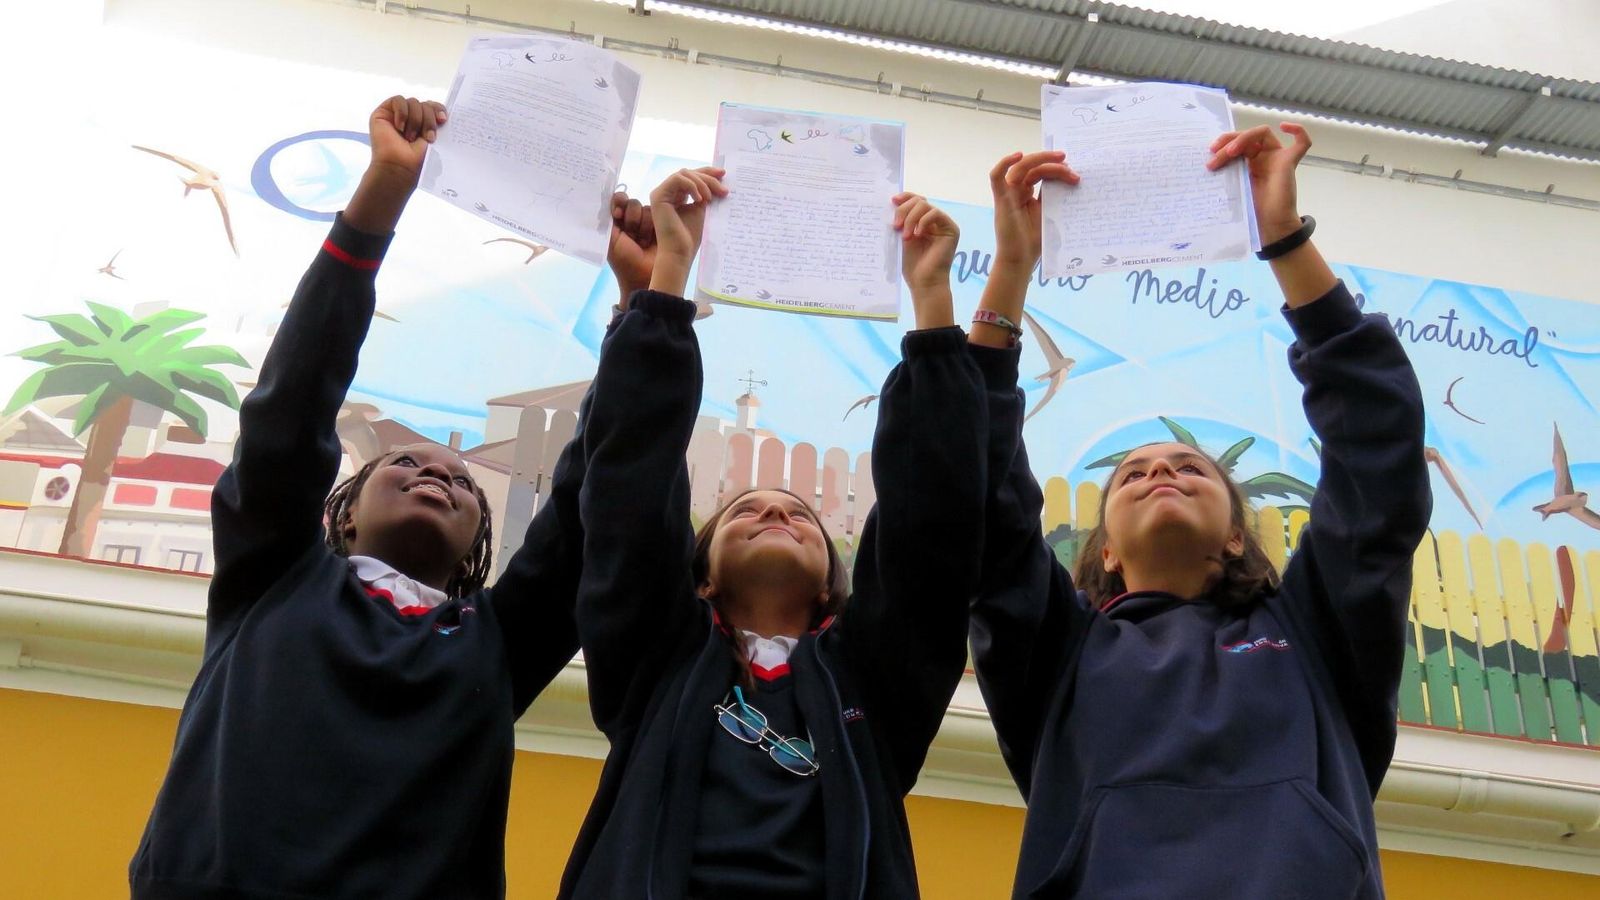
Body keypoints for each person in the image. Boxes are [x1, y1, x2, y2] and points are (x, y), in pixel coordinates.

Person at [129, 95, 634, 899]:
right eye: (404, 464)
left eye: (464, 483)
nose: (439, 473)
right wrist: (385, 188)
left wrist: (637, 314)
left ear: (477, 548)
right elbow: (292, 402)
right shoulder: (272, 580)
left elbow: (590, 506)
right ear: (343, 508)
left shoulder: (497, 644)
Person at [967, 125, 1431, 898]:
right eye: (1132, 475)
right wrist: (1011, 269)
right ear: (1105, 551)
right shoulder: (1057, 654)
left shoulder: (1317, 635)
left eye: (1189, 466)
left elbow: (1377, 461)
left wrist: (1282, 237)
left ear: (1238, 536)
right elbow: (981, 501)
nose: (1160, 472)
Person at [555, 166, 988, 898]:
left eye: (800, 515)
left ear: (830, 581)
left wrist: (932, 301)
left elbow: (932, 523)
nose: (777, 512)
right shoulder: (653, 660)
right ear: (703, 575)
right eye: (746, 511)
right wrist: (668, 278)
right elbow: (630, 482)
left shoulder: (876, 682)